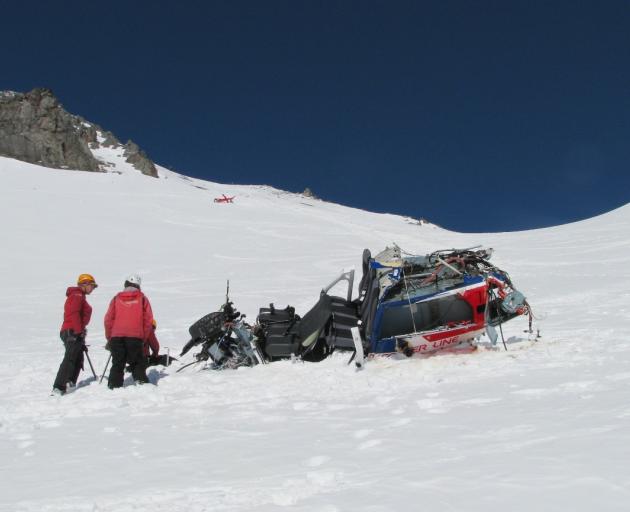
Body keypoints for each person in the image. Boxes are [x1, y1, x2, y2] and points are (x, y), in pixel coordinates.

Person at [104, 274, 154, 389]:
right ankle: (141, 381)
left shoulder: (116, 298)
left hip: (116, 336)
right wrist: (144, 337)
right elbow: (148, 320)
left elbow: (108, 319)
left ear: (125, 284)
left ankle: (114, 385)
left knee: (117, 362)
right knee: (137, 361)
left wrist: (109, 337)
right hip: (135, 336)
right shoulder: (142, 299)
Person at [52, 273, 98, 395]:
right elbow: (74, 313)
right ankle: (58, 387)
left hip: (73, 330)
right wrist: (78, 331)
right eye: (92, 286)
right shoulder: (77, 295)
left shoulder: (79, 296)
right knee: (70, 358)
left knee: (77, 358)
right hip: (72, 331)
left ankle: (69, 382)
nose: (93, 288)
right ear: (85, 284)